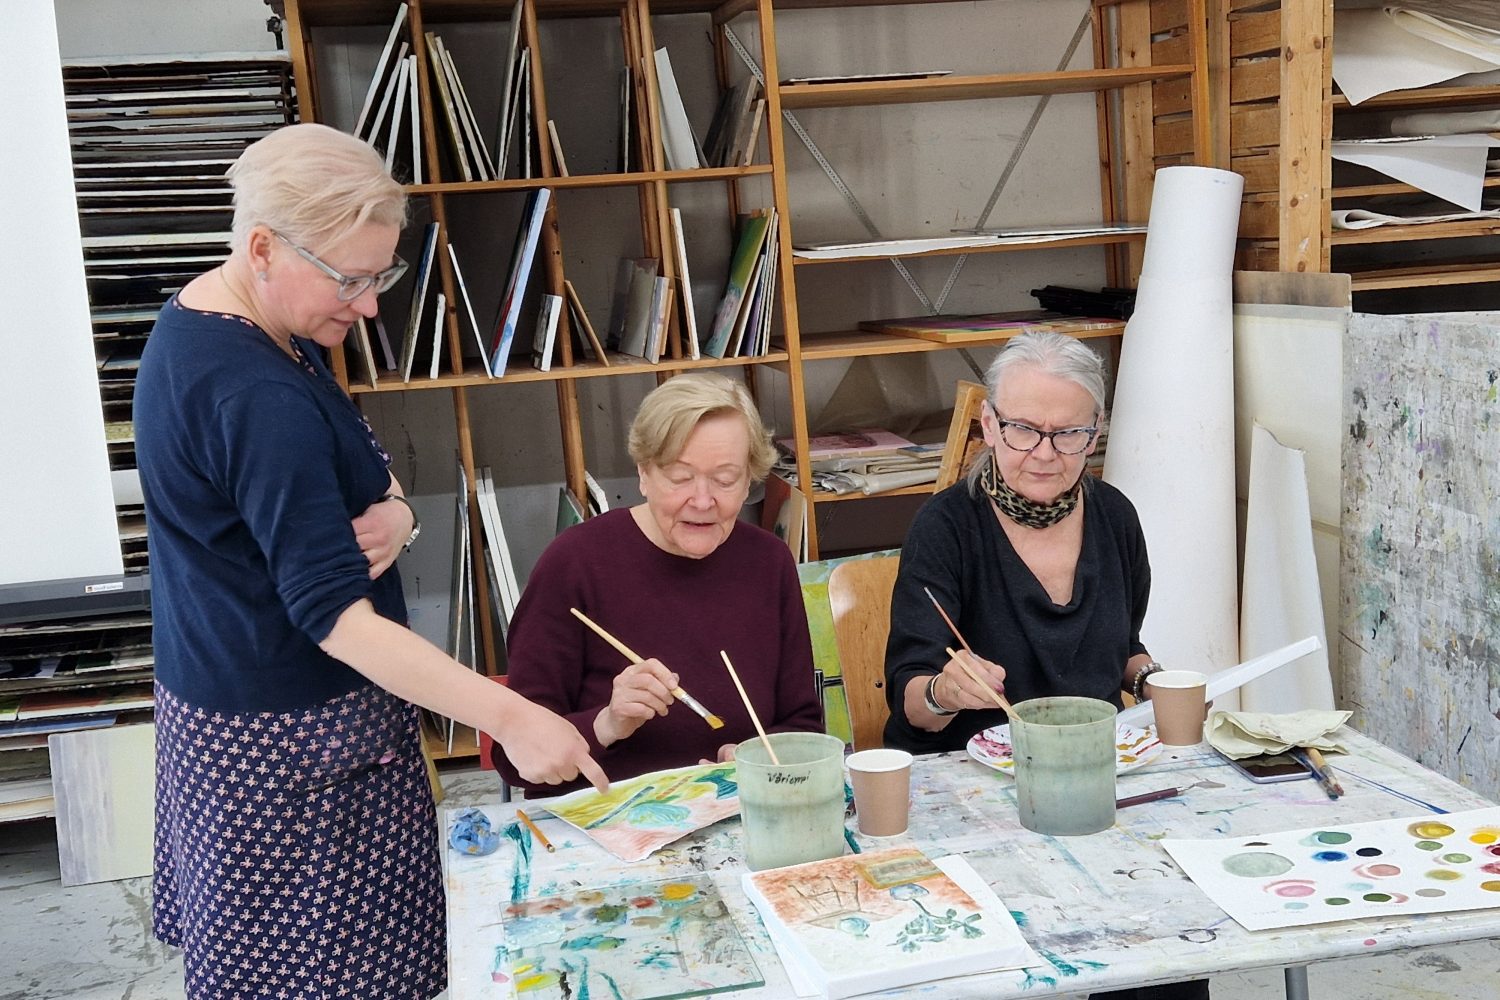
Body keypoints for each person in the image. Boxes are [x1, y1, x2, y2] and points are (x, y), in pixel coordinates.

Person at [134, 123, 604, 1000]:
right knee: (330, 977)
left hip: (240, 707)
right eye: (349, 279)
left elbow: (353, 456)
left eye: (380, 276)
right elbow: (335, 618)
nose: (369, 306)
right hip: (291, 750)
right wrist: (513, 716)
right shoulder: (252, 392)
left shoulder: (243, 318)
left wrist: (397, 511)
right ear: (263, 247)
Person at [881, 331, 1206, 1000]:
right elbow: (910, 701)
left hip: (1091, 775)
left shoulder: (1115, 517)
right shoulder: (946, 527)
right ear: (988, 425)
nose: (1044, 453)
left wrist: (1151, 681)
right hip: (975, 789)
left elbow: (1120, 646)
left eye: (1068, 434)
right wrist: (946, 689)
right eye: (1024, 430)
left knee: (1168, 936)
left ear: (1096, 432)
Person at [491, 373, 824, 793]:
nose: (702, 501)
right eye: (680, 477)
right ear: (644, 473)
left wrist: (757, 758)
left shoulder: (768, 562)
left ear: (748, 482)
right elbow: (512, 759)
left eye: (725, 480)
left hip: (737, 810)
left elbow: (803, 725)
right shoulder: (575, 563)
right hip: (604, 817)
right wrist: (607, 724)